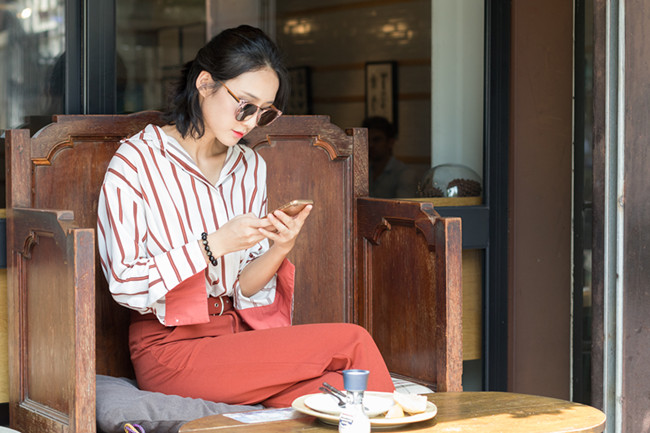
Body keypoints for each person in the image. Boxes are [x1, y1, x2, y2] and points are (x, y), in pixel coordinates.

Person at [97, 25, 394, 408]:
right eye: (245, 105)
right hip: (169, 347)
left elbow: (244, 287)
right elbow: (124, 282)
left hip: (237, 338)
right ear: (205, 84)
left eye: (265, 114)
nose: (252, 122)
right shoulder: (135, 162)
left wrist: (280, 246)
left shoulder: (249, 166)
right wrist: (214, 244)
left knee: (343, 389)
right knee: (353, 342)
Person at [363, 116, 418, 198]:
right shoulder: (362, 172)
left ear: (390, 142)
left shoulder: (404, 173)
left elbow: (404, 208)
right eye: (367, 140)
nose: (370, 145)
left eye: (376, 140)